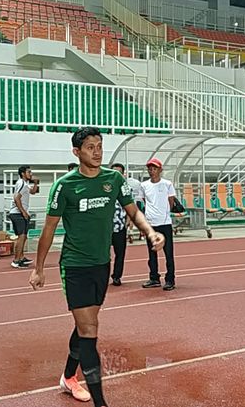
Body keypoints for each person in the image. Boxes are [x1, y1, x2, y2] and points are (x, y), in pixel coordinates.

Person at [29, 127, 164, 407]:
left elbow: (133, 211)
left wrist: (150, 232)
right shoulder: (65, 185)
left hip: (102, 264)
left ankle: (68, 376)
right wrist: (38, 267)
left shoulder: (113, 179)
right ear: (77, 152)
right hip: (75, 266)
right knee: (90, 330)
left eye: (100, 146)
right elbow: (49, 229)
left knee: (85, 326)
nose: (97, 151)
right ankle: (101, 403)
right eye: (90, 147)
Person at [139, 157, 177, 291]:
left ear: (160, 170)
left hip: (165, 223)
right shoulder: (144, 185)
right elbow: (144, 201)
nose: (151, 171)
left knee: (168, 253)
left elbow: (171, 201)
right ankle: (154, 278)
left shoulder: (167, 184)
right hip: (151, 224)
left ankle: (170, 279)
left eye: (154, 168)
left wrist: (164, 213)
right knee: (152, 253)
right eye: (149, 168)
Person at [8, 165, 39, 269]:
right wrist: (23, 212)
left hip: (21, 213)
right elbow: (16, 198)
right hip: (17, 213)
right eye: (29, 172)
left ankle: (21, 257)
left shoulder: (25, 184)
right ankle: (16, 260)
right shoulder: (21, 183)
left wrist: (35, 183)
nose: (31, 174)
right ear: (23, 173)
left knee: (24, 236)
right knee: (21, 236)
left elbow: (33, 192)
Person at [109, 163, 128, 286]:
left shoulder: (126, 189)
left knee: (120, 254)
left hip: (120, 227)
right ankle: (102, 276)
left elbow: (130, 206)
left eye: (119, 173)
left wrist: (129, 221)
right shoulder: (102, 187)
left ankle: (117, 276)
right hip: (105, 228)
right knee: (103, 254)